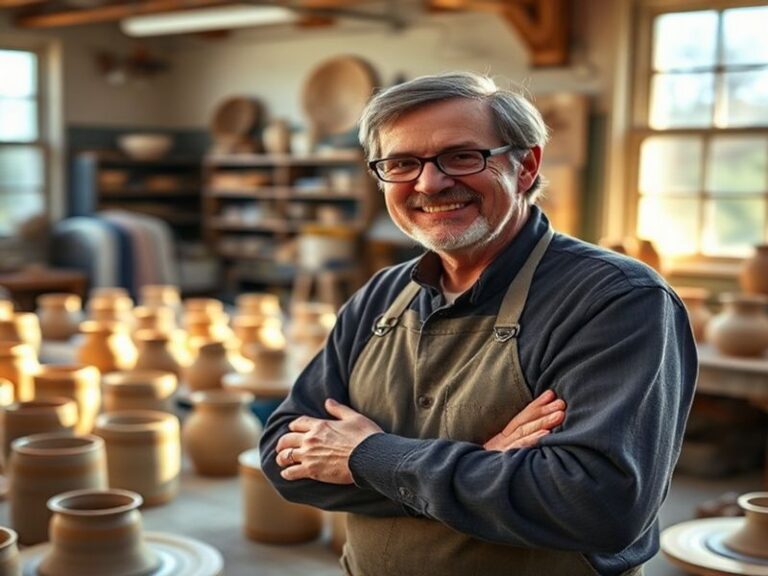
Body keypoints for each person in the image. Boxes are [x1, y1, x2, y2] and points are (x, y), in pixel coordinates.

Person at [259, 71, 697, 576]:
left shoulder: (615, 299)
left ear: (526, 166)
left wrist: (369, 458)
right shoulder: (381, 295)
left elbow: (597, 506)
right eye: (402, 163)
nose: (429, 182)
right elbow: (283, 459)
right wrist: (480, 464)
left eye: (462, 156)